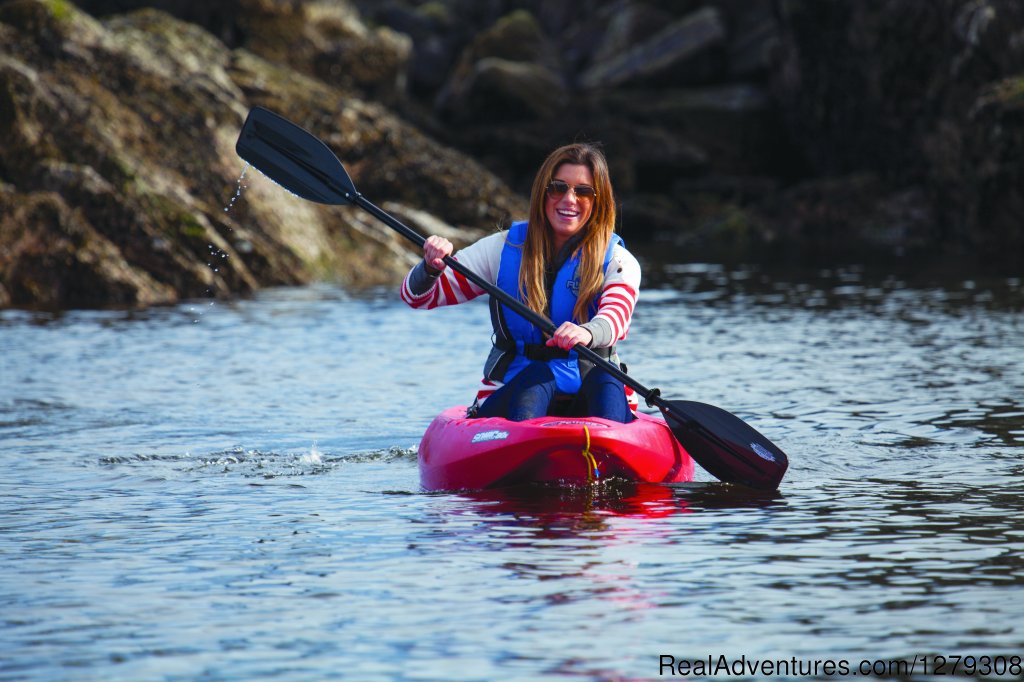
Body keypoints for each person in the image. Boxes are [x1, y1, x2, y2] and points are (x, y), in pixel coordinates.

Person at [400, 143, 641, 422]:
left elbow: (616, 317)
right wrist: (430, 268)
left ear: (598, 201)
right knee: (539, 375)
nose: (569, 199)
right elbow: (418, 297)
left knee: (606, 379)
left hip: (592, 391)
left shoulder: (619, 260)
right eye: (558, 188)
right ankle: (525, 449)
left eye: (583, 191)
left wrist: (587, 332)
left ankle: (610, 452)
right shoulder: (501, 250)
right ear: (543, 193)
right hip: (515, 391)